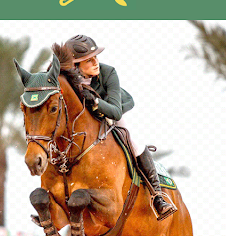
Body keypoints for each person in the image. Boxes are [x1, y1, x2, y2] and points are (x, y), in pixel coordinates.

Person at [65, 35, 177, 220]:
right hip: (89, 121)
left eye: (96, 57)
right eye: (89, 60)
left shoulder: (108, 72)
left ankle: (158, 197)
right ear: (75, 66)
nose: (95, 63)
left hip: (116, 109)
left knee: (133, 140)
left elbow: (115, 112)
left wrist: (94, 101)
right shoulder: (67, 81)